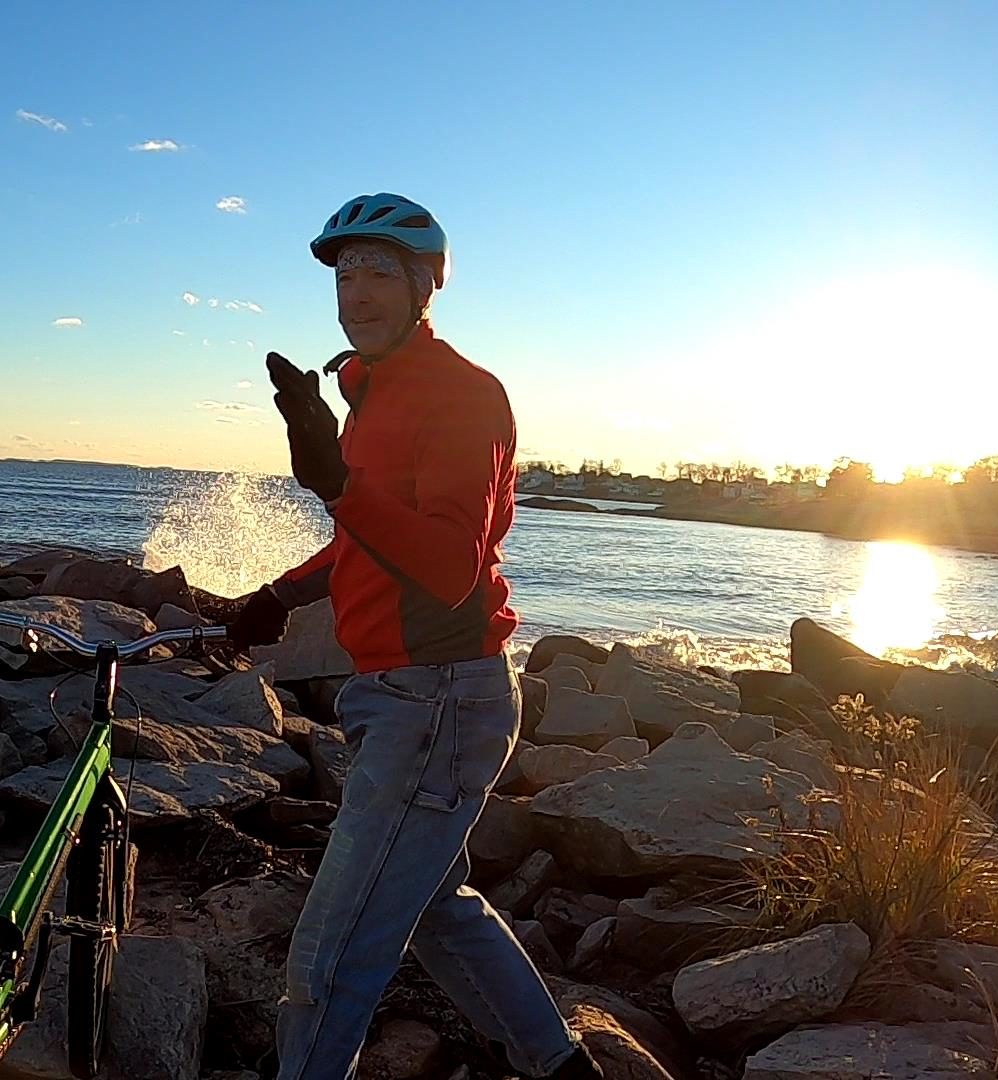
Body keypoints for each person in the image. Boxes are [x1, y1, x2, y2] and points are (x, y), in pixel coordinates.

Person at [231, 192, 603, 1080]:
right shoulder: (376, 390)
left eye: (380, 273)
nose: (357, 293)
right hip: (400, 691)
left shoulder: (459, 395)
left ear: (424, 286)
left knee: (331, 956)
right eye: (345, 275)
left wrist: (336, 482)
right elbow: (368, 534)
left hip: (436, 695)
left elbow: (448, 565)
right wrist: (281, 594)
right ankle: (559, 1066)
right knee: (436, 906)